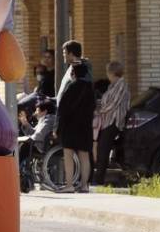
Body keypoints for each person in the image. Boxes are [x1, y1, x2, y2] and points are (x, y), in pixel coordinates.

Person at [56, 63, 95, 193]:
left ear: (73, 74)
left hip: (70, 126)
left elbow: (62, 109)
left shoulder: (71, 87)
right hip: (85, 127)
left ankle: (69, 185)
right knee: (84, 155)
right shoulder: (90, 89)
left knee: (68, 154)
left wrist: (57, 128)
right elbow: (93, 107)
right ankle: (84, 185)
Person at [93, 61, 130, 185]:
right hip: (106, 121)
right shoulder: (112, 85)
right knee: (101, 149)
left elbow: (113, 103)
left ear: (112, 72)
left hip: (114, 121)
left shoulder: (121, 85)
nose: (107, 73)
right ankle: (98, 177)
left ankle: (99, 179)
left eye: (108, 71)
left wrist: (99, 111)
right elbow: (104, 102)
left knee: (103, 150)